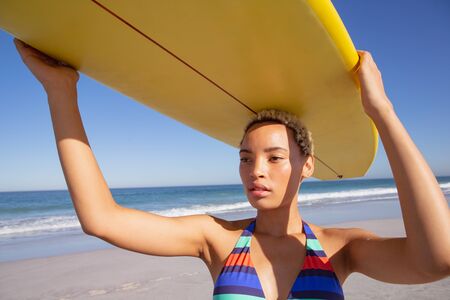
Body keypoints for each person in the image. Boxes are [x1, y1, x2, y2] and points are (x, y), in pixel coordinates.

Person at [14, 37, 450, 299]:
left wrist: (382, 112)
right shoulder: (216, 238)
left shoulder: (340, 248)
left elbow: (437, 259)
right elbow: (101, 219)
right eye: (245, 157)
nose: (255, 170)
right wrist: (60, 92)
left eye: (274, 157)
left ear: (307, 165)